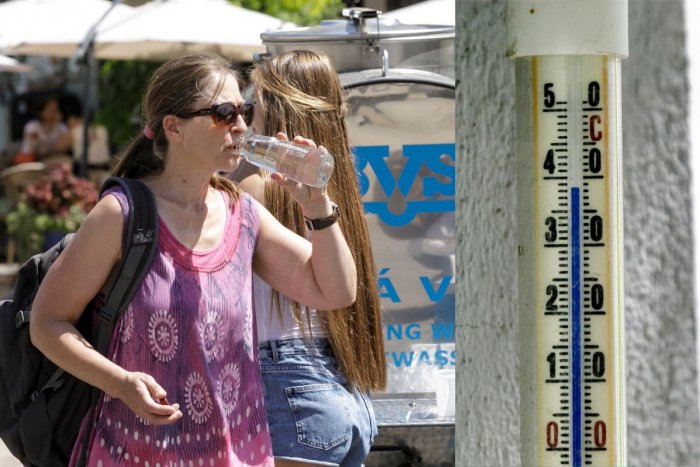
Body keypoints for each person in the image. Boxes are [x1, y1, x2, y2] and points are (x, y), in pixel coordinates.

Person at [29, 53, 356, 467]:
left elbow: (336, 291)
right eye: (223, 114)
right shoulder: (122, 215)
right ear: (173, 127)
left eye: (245, 111)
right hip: (135, 454)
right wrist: (121, 383)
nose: (241, 126)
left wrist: (318, 208)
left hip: (237, 455)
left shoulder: (243, 213)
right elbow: (47, 323)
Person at [229, 49, 386, 467]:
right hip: (343, 391)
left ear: (275, 111)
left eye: (252, 106)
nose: (244, 120)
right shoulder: (339, 195)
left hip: (285, 391)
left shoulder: (252, 190)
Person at [16, 96, 71, 163]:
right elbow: (37, 150)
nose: (54, 112)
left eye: (56, 109)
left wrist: (55, 125)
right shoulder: (32, 127)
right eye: (50, 109)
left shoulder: (60, 126)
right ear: (41, 112)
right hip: (30, 160)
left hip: (49, 159)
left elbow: (64, 146)